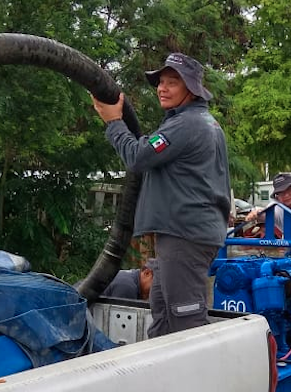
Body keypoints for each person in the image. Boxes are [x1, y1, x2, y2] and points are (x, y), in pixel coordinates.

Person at [91, 52, 231, 337]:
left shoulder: (187, 124)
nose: (162, 88)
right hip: (183, 234)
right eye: (160, 82)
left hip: (186, 235)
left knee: (185, 321)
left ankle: (197, 379)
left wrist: (114, 122)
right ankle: (161, 376)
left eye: (172, 83)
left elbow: (138, 156)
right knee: (162, 312)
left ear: (191, 89)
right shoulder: (198, 122)